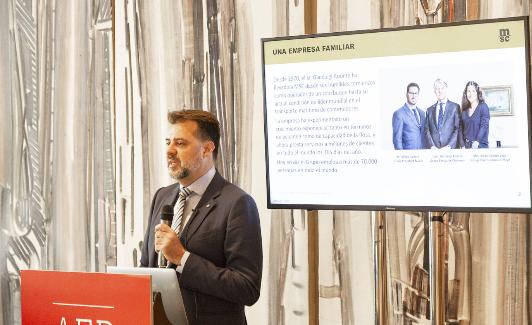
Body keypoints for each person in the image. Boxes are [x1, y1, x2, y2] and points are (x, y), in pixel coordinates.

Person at [140, 109, 262, 325]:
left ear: (207, 149)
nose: (169, 151)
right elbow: (145, 267)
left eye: (180, 143)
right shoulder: (163, 196)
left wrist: (182, 258)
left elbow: (247, 287)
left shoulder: (237, 203)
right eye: (167, 142)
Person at [424, 79, 461, 149]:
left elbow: (457, 129)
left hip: (450, 150)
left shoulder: (455, 107)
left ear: (446, 89)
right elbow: (427, 130)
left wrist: (449, 146)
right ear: (434, 91)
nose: (440, 91)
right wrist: (432, 146)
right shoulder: (429, 110)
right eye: (437, 89)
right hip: (434, 151)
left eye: (442, 88)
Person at [392, 82, 426, 150]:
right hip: (408, 157)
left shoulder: (422, 113)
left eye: (416, 93)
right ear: (406, 94)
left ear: (418, 95)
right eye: (411, 93)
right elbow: (397, 140)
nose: (413, 96)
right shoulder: (399, 114)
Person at [460, 81, 490, 148]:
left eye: (473, 91)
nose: (471, 94)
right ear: (466, 94)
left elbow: (484, 126)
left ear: (477, 93)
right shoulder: (464, 110)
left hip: (480, 146)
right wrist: (462, 145)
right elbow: (460, 129)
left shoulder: (483, 107)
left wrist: (477, 141)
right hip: (466, 147)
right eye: (468, 91)